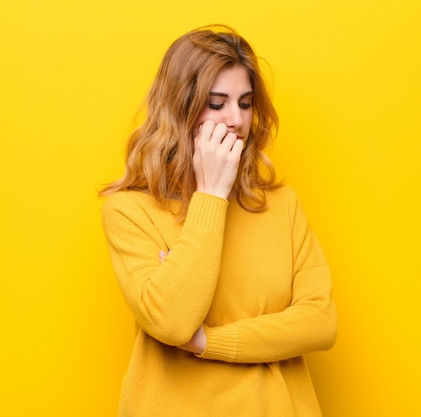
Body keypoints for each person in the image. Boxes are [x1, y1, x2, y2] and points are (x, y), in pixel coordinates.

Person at [100, 25, 337, 417]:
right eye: (216, 102)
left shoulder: (281, 205)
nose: (236, 119)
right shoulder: (130, 212)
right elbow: (173, 324)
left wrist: (209, 342)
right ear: (180, 110)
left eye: (245, 103)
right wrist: (211, 196)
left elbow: (320, 323)